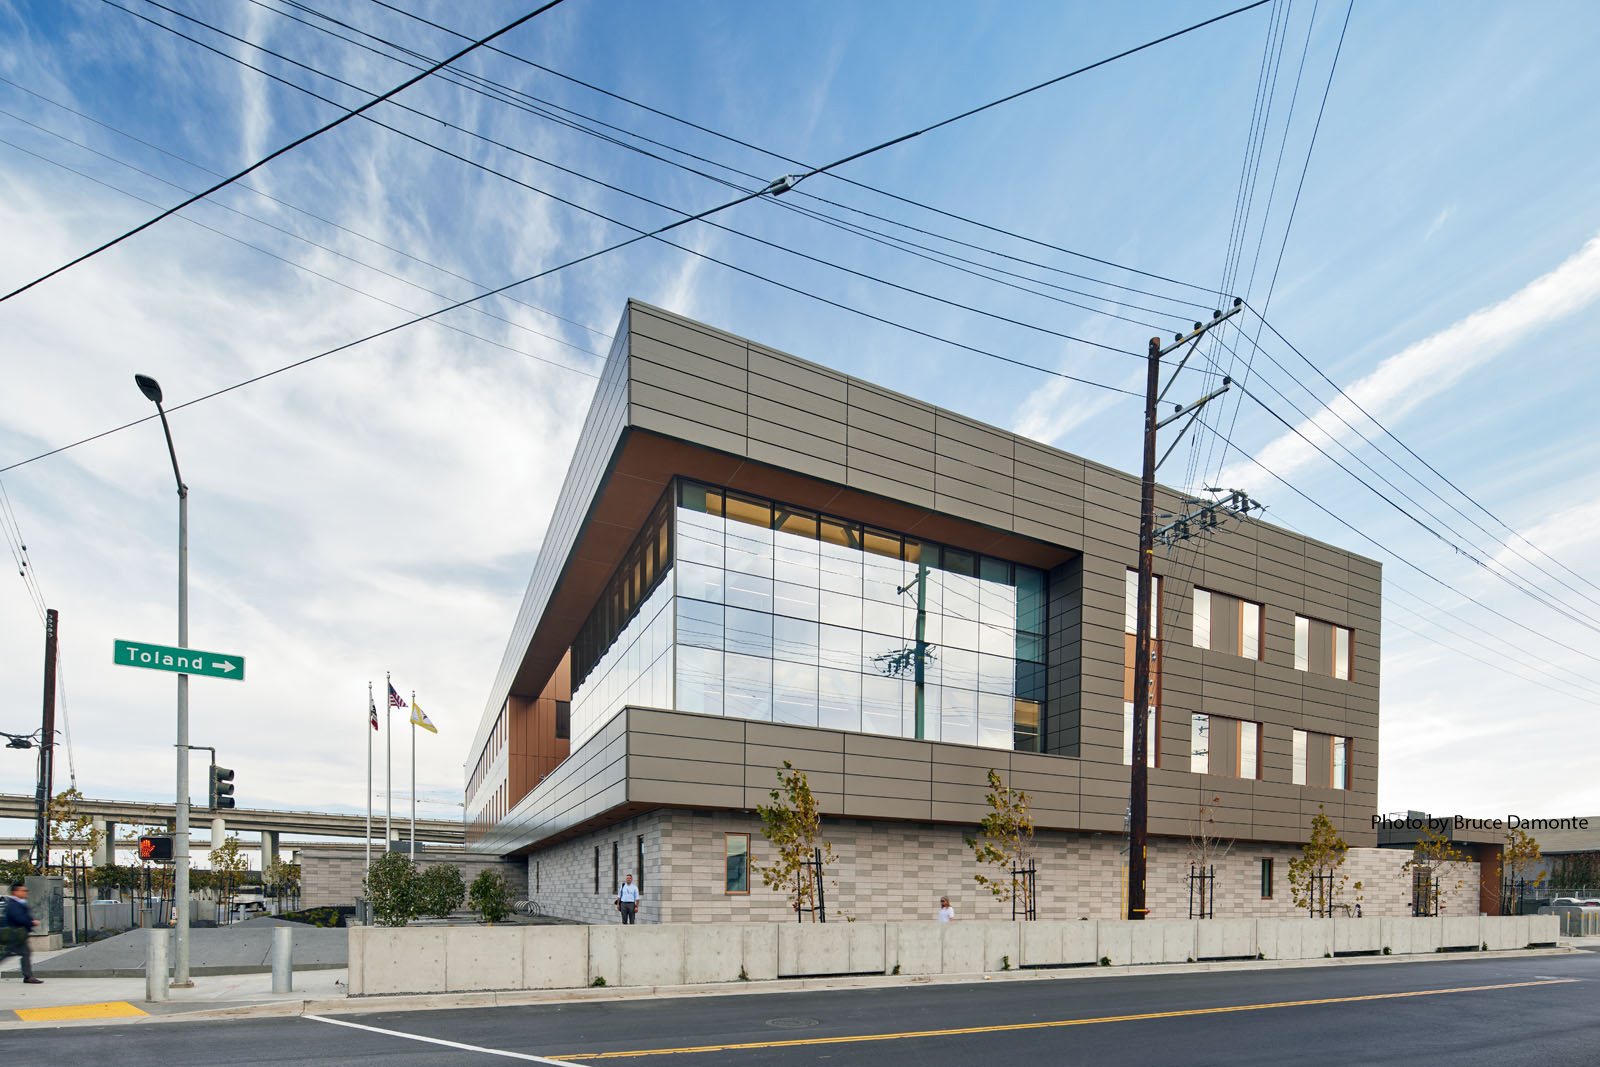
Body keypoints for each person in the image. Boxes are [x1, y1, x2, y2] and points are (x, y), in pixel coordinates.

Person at [2, 883, 42, 983]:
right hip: (15, 934)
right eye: (23, 891)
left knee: (23, 953)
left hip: (17, 934)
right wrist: (31, 922)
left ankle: (28, 976)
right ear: (15, 892)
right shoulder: (13, 904)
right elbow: (18, 917)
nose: (26, 893)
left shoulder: (17, 903)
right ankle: (28, 977)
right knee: (10, 953)